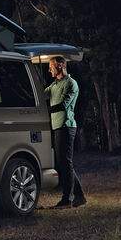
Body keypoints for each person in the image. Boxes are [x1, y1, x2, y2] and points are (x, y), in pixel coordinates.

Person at [46, 56, 86, 208]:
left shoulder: (71, 83)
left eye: (51, 66)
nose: (49, 69)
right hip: (57, 127)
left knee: (65, 163)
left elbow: (63, 104)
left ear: (60, 66)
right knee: (64, 163)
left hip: (67, 127)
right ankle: (79, 196)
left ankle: (67, 199)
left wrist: (47, 110)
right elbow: (41, 95)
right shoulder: (54, 85)